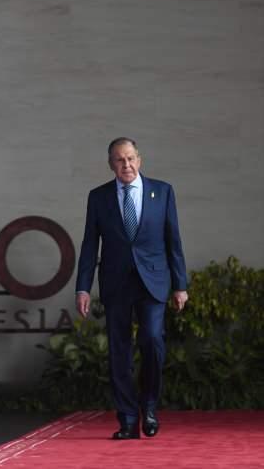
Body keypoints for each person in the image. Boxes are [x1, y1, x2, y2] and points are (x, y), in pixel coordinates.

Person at [75, 137, 188, 440]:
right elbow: (90, 244)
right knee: (119, 352)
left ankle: (148, 408)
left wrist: (180, 285)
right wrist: (82, 287)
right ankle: (127, 419)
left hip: (153, 281)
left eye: (130, 158)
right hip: (116, 283)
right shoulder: (98, 197)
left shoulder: (162, 192)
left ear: (139, 159)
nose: (126, 165)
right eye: (119, 160)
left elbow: (173, 240)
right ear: (110, 164)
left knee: (152, 340)